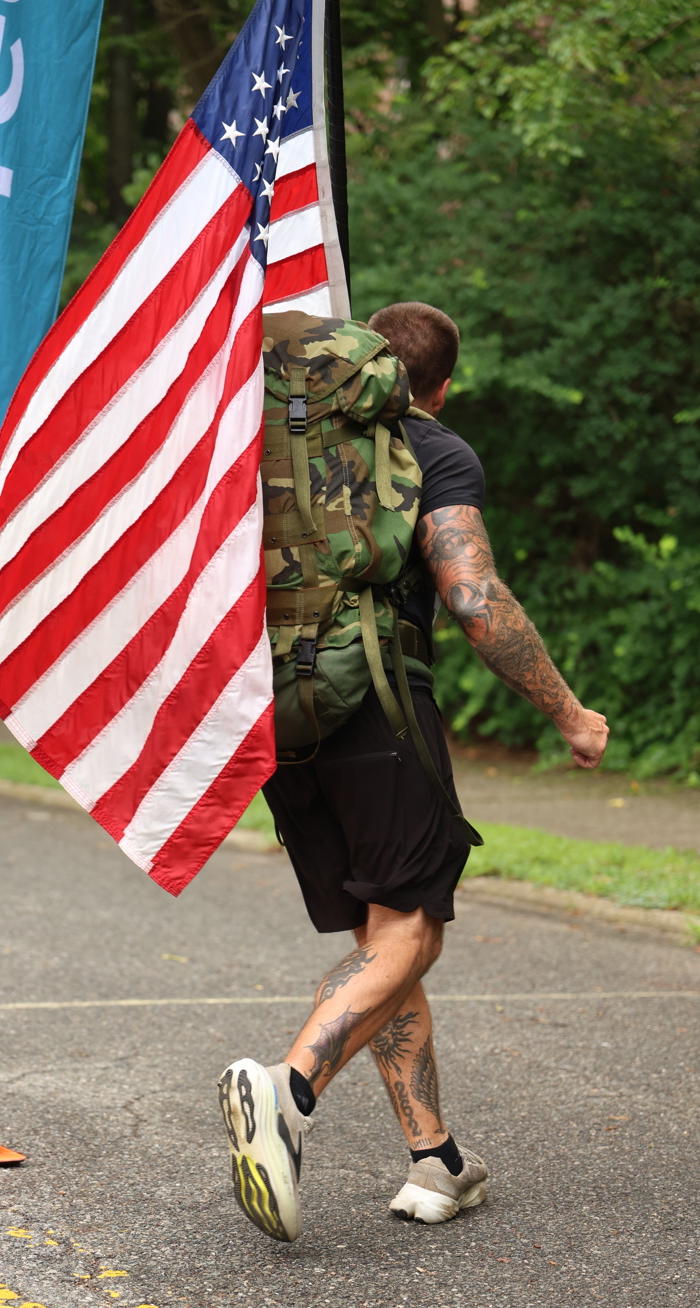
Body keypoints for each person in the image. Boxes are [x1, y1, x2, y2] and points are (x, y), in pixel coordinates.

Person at [218, 302, 608, 1242]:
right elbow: (472, 597)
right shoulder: (433, 449)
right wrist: (569, 712)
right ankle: (288, 1090)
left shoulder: (270, 441)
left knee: (381, 937)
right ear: (440, 385)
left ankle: (435, 1161)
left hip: (279, 717)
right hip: (378, 708)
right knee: (412, 933)